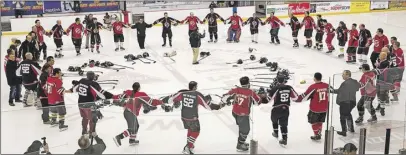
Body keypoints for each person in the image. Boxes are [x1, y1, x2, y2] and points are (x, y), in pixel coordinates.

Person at [168, 81, 221, 154]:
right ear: (194, 87)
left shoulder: (183, 93)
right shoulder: (197, 95)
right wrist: (218, 106)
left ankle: (190, 144)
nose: (197, 87)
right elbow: (207, 106)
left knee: (190, 130)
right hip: (192, 117)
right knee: (196, 131)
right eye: (196, 86)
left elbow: (172, 99)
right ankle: (188, 147)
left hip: (184, 116)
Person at [112, 82, 163, 146]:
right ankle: (118, 137)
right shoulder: (141, 94)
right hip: (130, 112)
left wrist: (113, 97)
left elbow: (120, 96)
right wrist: (161, 102)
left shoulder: (128, 92)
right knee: (132, 128)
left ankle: (132, 140)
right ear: (139, 88)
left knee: (136, 126)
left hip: (128, 112)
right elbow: (151, 102)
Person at [223, 77, 263, 151]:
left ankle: (242, 142)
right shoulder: (250, 92)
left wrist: (227, 101)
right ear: (248, 84)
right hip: (243, 115)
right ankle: (240, 145)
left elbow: (225, 97)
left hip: (234, 112)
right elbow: (258, 101)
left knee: (241, 128)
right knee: (245, 130)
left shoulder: (236, 89)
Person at [265, 75, 298, 146]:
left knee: (274, 120)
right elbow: (295, 97)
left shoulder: (275, 88)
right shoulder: (289, 88)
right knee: (284, 124)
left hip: (276, 108)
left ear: (277, 80)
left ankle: (276, 133)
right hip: (286, 108)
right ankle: (284, 139)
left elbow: (269, 99)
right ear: (284, 80)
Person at [295, 72, 329, 141]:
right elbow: (332, 90)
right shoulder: (326, 85)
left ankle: (316, 134)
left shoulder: (313, 87)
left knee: (313, 122)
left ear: (314, 78)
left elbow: (305, 96)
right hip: (324, 108)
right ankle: (319, 133)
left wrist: (296, 99)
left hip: (315, 109)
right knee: (320, 121)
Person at [330, 70, 360, 137]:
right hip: (352, 102)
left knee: (343, 116)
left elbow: (339, 91)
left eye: (343, 74)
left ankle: (344, 131)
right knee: (348, 114)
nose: (342, 75)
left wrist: (331, 90)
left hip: (345, 102)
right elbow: (358, 88)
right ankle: (351, 128)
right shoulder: (354, 82)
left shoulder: (345, 83)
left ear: (348, 75)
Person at [374, 50, 391, 116]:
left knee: (382, 95)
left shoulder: (385, 63)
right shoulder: (383, 62)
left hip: (384, 81)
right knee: (378, 93)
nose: (379, 56)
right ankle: (380, 105)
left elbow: (379, 71)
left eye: (380, 55)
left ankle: (382, 108)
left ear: (383, 57)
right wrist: (377, 65)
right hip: (379, 79)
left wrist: (371, 71)